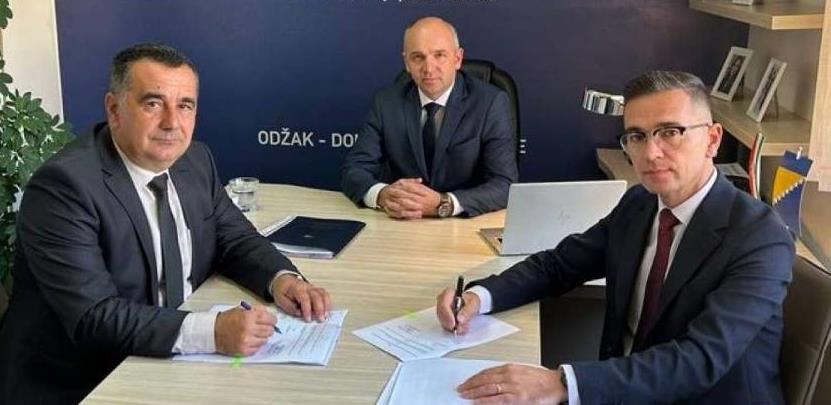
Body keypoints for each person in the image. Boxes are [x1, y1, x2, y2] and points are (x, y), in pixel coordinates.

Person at [0, 43, 331, 404]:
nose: (172, 123)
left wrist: (281, 279)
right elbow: (94, 316)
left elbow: (234, 238)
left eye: (185, 105)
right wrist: (212, 332)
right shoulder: (64, 188)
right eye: (153, 104)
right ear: (114, 109)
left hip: (173, 361)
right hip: (87, 381)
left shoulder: (195, 160)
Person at [436, 71, 793, 403]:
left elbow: (699, 359)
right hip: (627, 388)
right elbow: (559, 265)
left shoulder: (760, 237)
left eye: (670, 132)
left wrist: (561, 383)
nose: (650, 153)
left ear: (712, 140)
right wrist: (479, 297)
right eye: (636, 136)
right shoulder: (640, 203)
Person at [341, 16, 518, 219]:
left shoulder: (490, 102)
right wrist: (382, 195)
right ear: (407, 63)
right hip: (402, 222)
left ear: (457, 58)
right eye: (418, 57)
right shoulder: (386, 102)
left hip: (465, 224)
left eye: (439, 55)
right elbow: (355, 169)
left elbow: (504, 184)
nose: (429, 68)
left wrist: (445, 203)